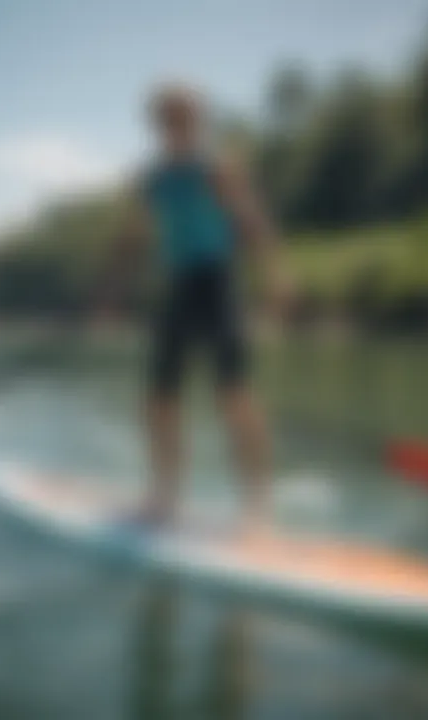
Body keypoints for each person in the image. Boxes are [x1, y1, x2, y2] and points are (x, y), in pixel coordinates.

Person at [113, 82, 285, 538]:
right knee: (159, 399)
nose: (178, 125)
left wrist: (274, 277)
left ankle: (258, 508)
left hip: (218, 282)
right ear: (157, 124)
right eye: (168, 118)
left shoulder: (217, 167)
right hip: (177, 287)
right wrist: (117, 288)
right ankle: (165, 497)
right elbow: (136, 234)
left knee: (233, 395)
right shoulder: (151, 178)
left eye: (186, 117)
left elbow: (252, 221)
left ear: (200, 120)